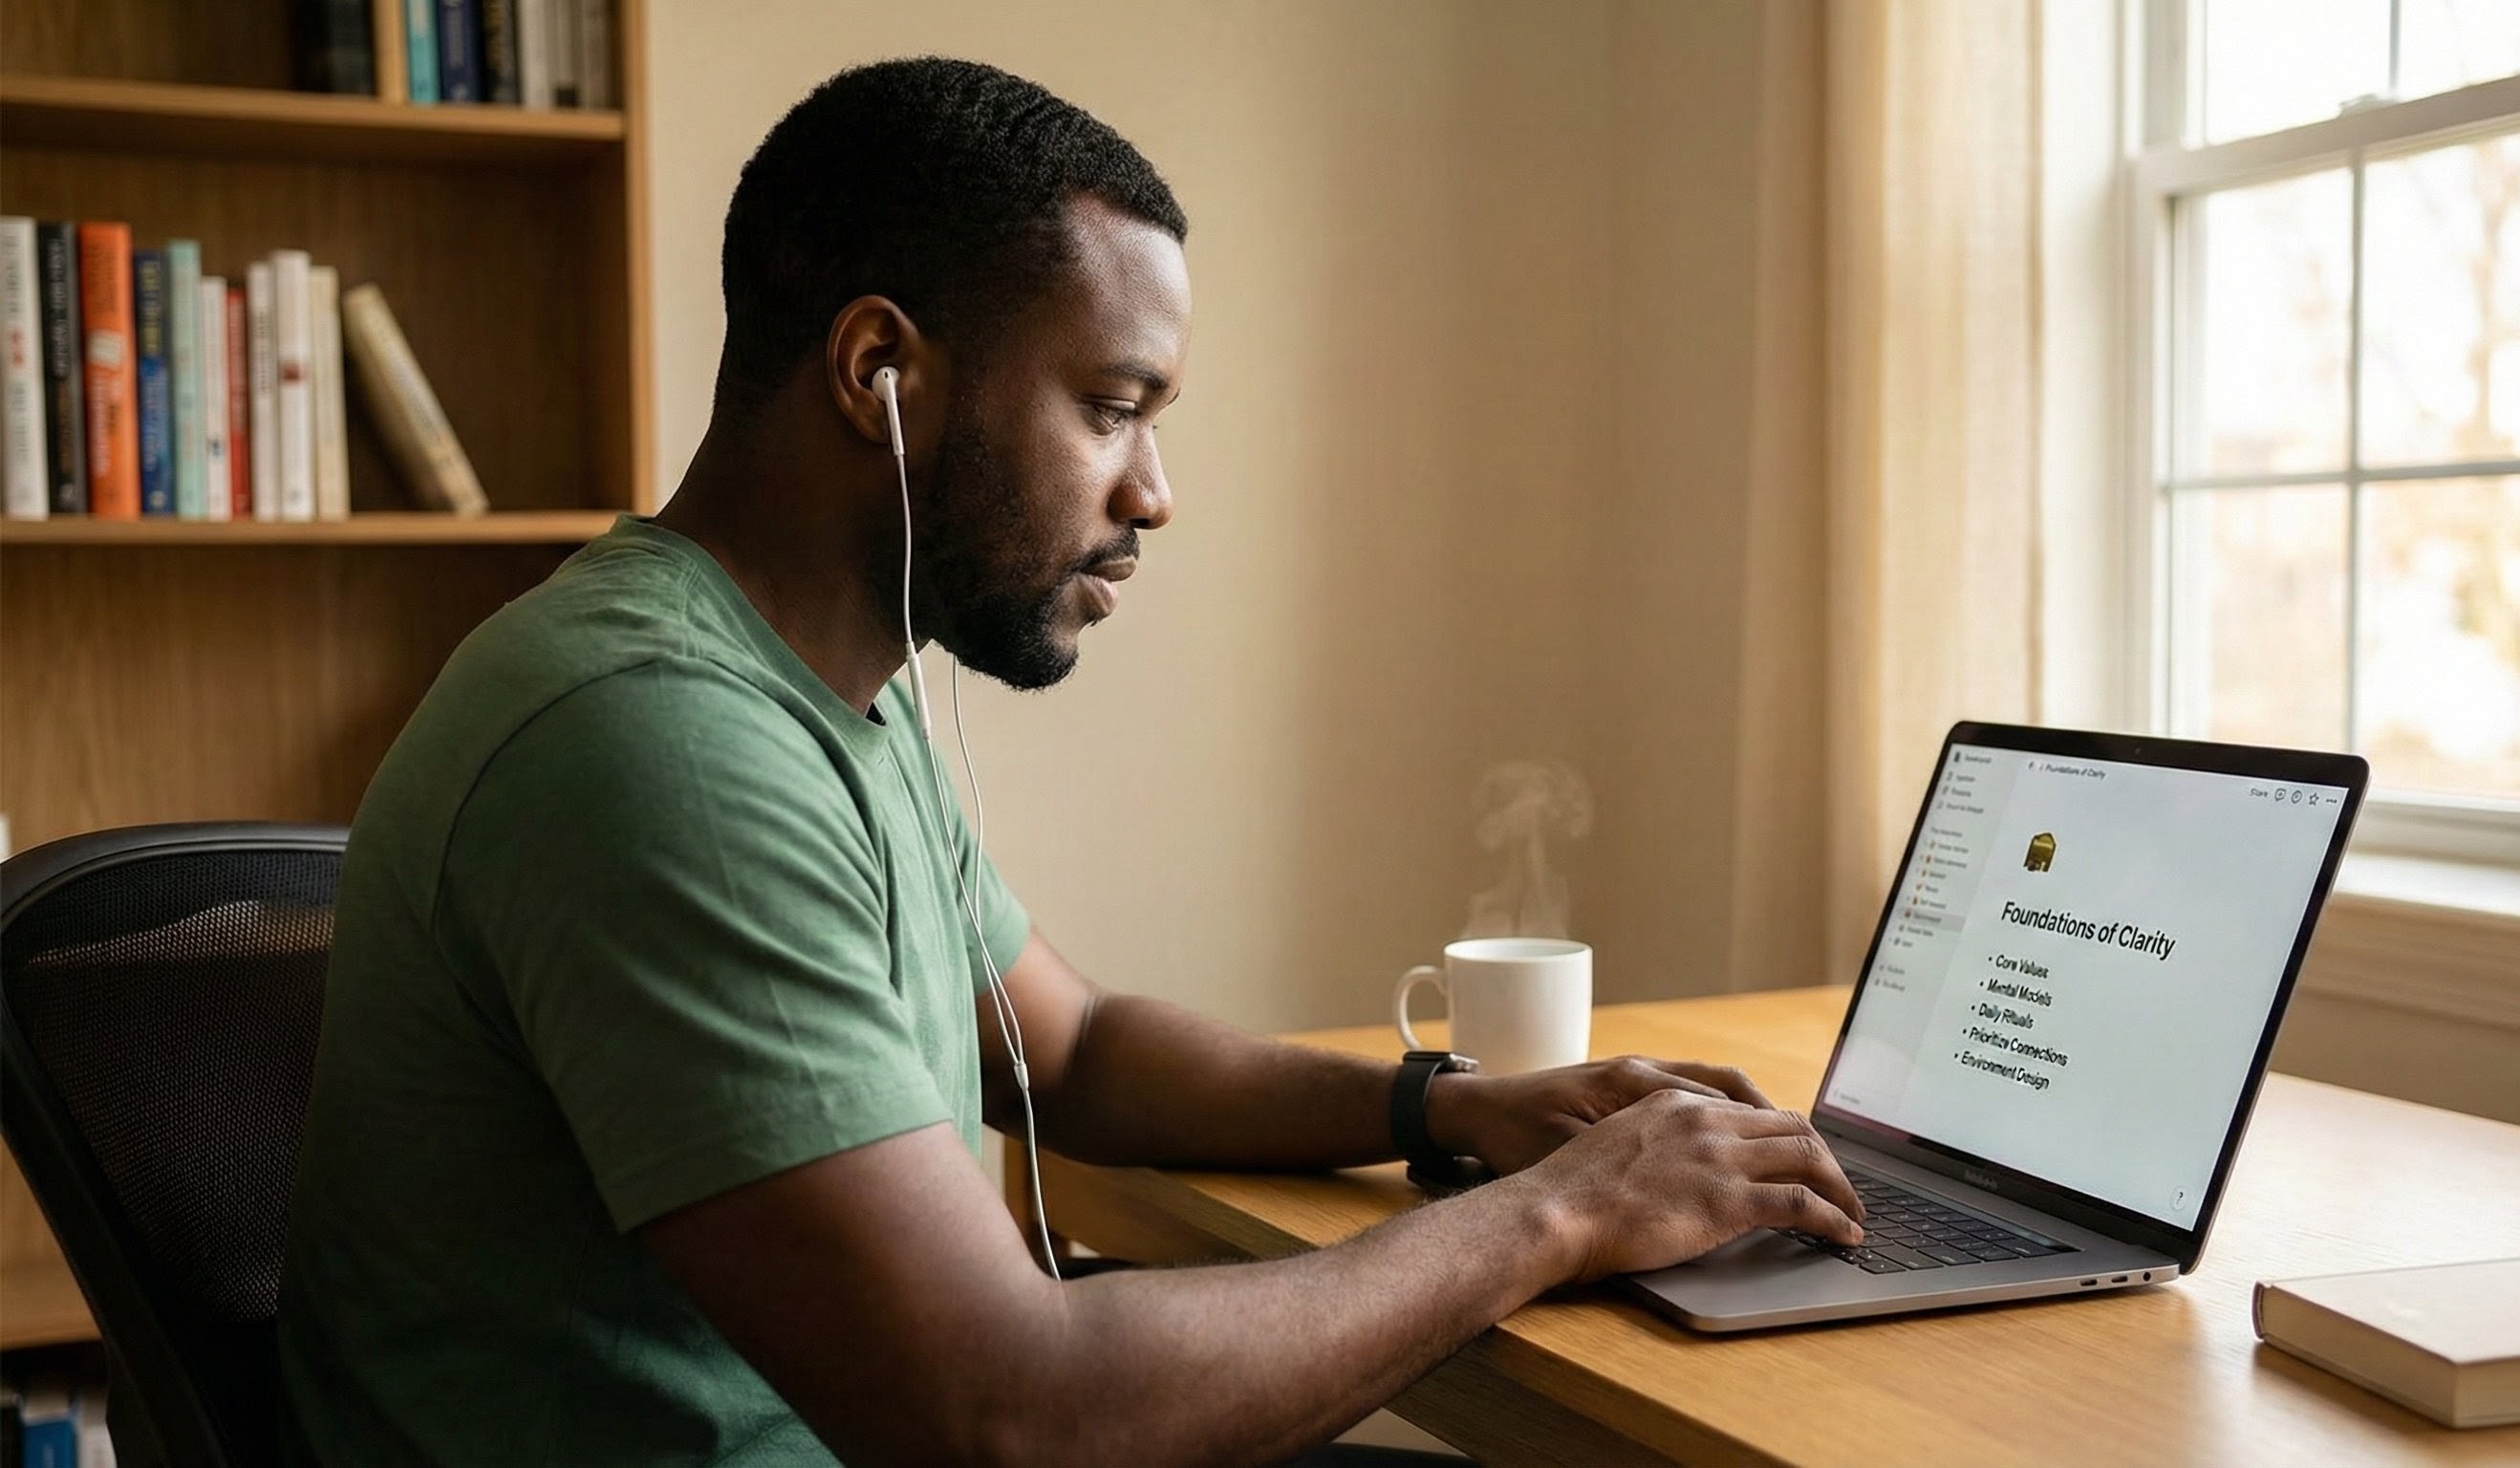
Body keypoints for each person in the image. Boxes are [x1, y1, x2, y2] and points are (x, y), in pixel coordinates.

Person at [276, 56, 1863, 1466]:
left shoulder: (829, 694)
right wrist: (1568, 1211)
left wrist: (1447, 1108)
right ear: (877, 372)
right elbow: (1004, 1411)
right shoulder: (655, 742)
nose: (1154, 493)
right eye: (1113, 406)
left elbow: (1078, 1048)